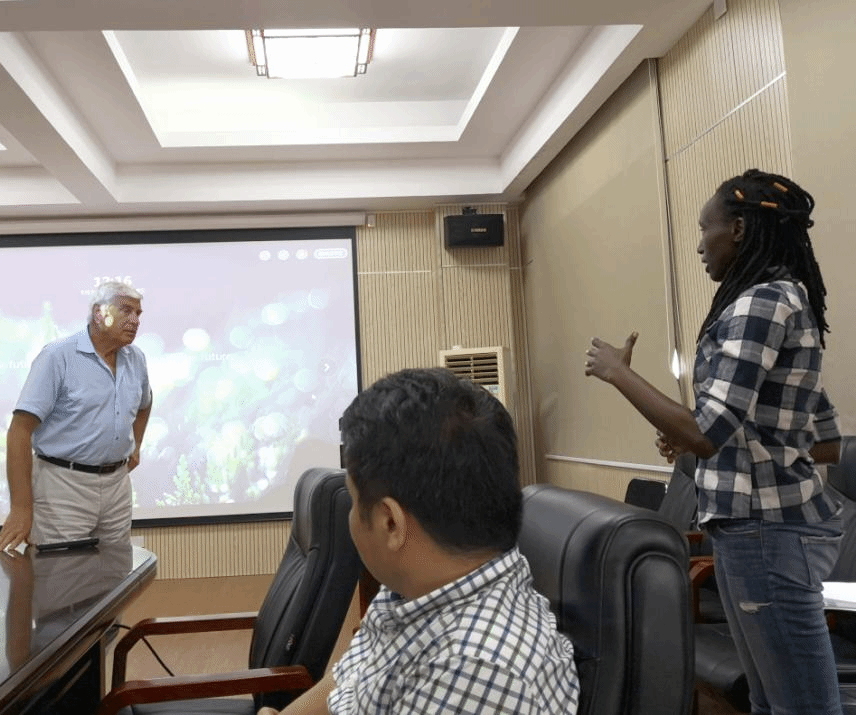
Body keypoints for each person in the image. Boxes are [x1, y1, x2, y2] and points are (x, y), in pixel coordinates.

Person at [585, 168, 843, 714]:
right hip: (761, 528)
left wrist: (619, 374)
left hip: (765, 530)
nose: (700, 245)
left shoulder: (761, 302)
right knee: (772, 704)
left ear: (741, 229)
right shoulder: (787, 299)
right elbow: (823, 441)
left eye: (706, 229)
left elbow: (705, 432)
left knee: (800, 707)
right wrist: (706, 441)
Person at [259, 367, 579, 715]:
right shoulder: (417, 585)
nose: (350, 517)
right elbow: (348, 679)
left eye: (353, 501)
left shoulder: (471, 672)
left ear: (390, 523)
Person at [0, 280, 152, 551]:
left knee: (117, 569)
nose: (135, 321)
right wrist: (21, 508)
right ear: (99, 313)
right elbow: (19, 430)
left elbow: (145, 403)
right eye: (126, 311)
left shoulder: (136, 358)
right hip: (63, 485)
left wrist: (135, 446)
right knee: (63, 572)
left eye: (138, 313)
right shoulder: (57, 357)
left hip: (117, 486)